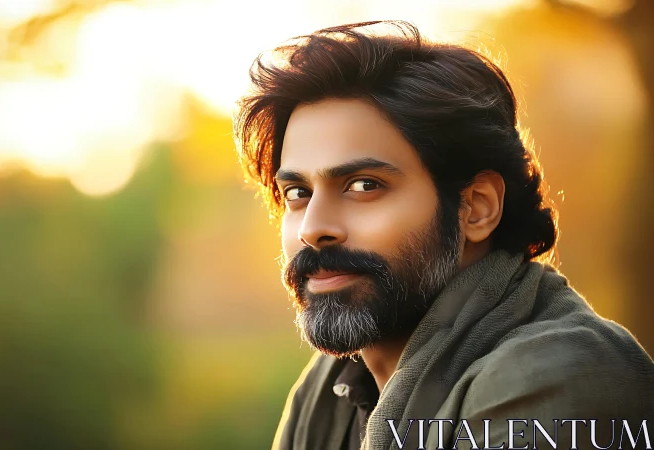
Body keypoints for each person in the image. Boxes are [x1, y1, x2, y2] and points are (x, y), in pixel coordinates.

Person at [232, 20, 654, 450]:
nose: (313, 228)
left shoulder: (557, 375)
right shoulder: (332, 386)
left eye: (364, 185)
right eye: (298, 192)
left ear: (476, 208)